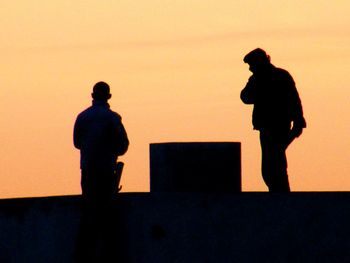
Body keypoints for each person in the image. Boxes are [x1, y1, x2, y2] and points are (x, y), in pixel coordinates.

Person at [240, 48, 306, 192]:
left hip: (275, 127)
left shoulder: (277, 76)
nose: (250, 68)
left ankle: (281, 195)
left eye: (251, 65)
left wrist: (298, 121)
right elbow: (245, 97)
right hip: (270, 127)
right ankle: (279, 193)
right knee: (273, 164)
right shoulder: (267, 77)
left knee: (273, 165)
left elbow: (293, 99)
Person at [73, 81, 129, 201]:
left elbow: (76, 143)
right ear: (109, 97)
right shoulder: (113, 118)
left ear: (92, 95)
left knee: (89, 207)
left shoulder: (82, 117)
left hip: (87, 170)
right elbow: (123, 145)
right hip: (107, 170)